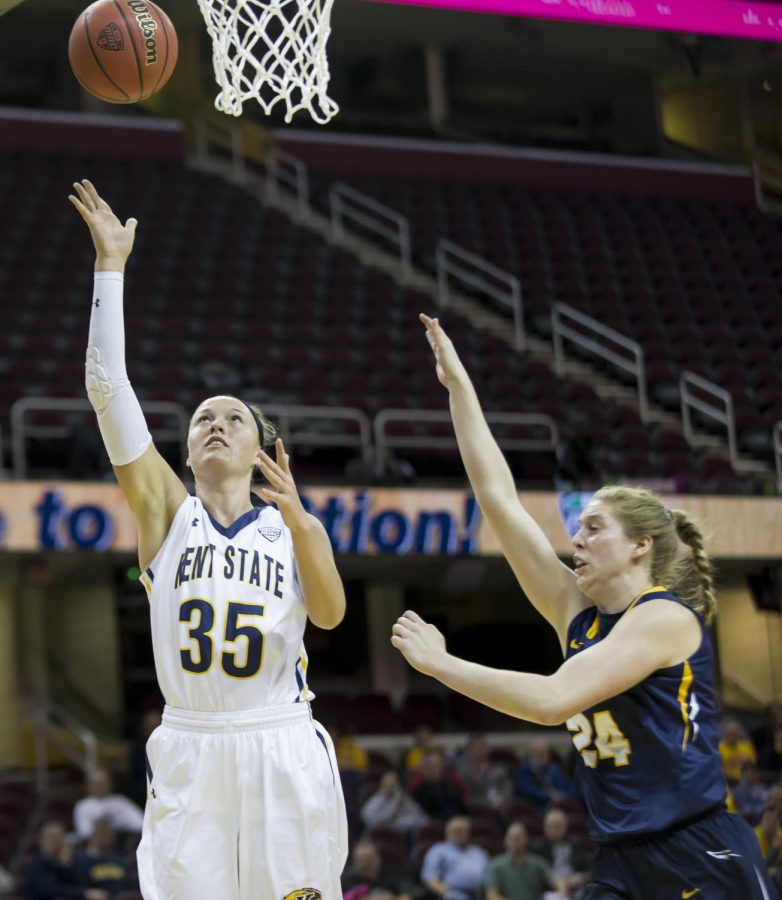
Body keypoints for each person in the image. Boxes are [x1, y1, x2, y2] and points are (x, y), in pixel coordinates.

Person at [390, 315, 777, 899]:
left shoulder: (666, 618)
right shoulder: (577, 610)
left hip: (700, 852)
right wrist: (460, 390)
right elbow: (498, 501)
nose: (576, 540)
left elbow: (553, 701)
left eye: (594, 528)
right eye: (578, 527)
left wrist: (442, 664)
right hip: (620, 862)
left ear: (640, 546)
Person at [69, 179, 348, 899]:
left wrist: (305, 525)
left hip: (280, 739)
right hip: (193, 743)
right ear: (187, 453)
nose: (216, 423)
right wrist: (111, 267)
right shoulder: (167, 510)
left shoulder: (291, 527)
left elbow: (330, 616)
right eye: (201, 419)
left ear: (262, 446)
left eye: (233, 417)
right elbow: (107, 385)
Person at [23, 820, 109, 900]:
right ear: (41, 840)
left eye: (58, 837)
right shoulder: (38, 863)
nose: (54, 842)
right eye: (50, 838)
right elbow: (50, 890)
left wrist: (68, 865)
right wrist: (83, 893)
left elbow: (84, 883)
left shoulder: (73, 859)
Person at [484, 821, 558, 900]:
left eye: (518, 838)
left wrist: (561, 890)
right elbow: (492, 896)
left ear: (526, 839)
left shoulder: (538, 863)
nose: (515, 842)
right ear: (505, 840)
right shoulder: (495, 865)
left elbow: (555, 880)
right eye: (512, 838)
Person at [420, 816, 489, 900]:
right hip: (452, 893)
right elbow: (430, 879)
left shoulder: (479, 852)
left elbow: (490, 878)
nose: (459, 833)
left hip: (480, 894)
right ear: (447, 832)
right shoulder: (439, 850)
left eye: (462, 830)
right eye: (456, 830)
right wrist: (447, 893)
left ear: (468, 832)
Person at [73, 768, 144, 842]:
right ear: (89, 786)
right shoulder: (83, 806)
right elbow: (84, 832)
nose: (99, 787)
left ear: (110, 784)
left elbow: (139, 823)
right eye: (96, 784)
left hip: (118, 844)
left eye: (102, 784)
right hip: (92, 846)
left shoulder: (120, 802)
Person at [531, 809, 590, 896]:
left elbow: (589, 868)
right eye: (550, 827)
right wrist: (555, 882)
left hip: (574, 886)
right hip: (549, 888)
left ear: (566, 826)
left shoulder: (576, 844)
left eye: (558, 826)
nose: (554, 830)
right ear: (544, 828)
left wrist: (580, 876)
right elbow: (536, 874)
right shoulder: (537, 847)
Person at [73, 818, 138, 897]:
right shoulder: (80, 860)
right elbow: (79, 888)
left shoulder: (119, 858)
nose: (105, 838)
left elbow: (129, 885)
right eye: (102, 833)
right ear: (93, 835)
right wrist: (86, 893)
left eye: (108, 833)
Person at [361, 770, 430, 839]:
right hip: (376, 837)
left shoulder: (401, 797)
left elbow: (422, 818)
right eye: (387, 781)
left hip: (400, 838)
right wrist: (393, 806)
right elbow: (370, 820)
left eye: (393, 782)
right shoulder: (377, 799)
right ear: (381, 784)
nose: (390, 784)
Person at [342, 838, 415, 900]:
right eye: (361, 860)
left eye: (369, 859)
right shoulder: (347, 881)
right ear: (354, 862)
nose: (366, 864)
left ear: (378, 859)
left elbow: (408, 896)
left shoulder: (392, 877)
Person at [513, 740, 575, 811]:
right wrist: (548, 795)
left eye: (544, 753)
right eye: (538, 753)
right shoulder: (524, 770)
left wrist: (561, 795)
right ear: (531, 755)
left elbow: (566, 787)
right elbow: (526, 791)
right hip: (534, 806)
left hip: (556, 805)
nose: (542, 756)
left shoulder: (554, 768)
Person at [409, 749, 468, 823]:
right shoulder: (416, 793)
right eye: (428, 766)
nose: (431, 770)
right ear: (422, 769)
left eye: (434, 766)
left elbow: (463, 812)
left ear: (441, 767)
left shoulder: (451, 787)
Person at [720, 718, 758, 784]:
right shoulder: (718, 748)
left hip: (747, 782)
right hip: (727, 782)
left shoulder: (747, 747)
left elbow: (753, 766)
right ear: (725, 734)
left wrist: (744, 762)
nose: (732, 736)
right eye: (730, 734)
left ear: (739, 733)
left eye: (734, 733)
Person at [733, 760, 770, 826]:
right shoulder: (739, 789)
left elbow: (767, 803)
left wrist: (761, 809)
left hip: (760, 821)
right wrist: (761, 809)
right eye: (750, 772)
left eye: (754, 772)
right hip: (745, 822)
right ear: (743, 774)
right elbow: (748, 811)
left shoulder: (761, 787)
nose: (753, 775)